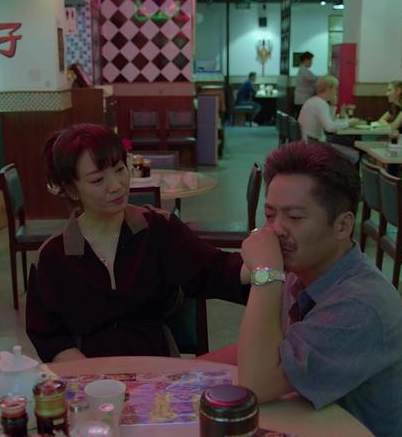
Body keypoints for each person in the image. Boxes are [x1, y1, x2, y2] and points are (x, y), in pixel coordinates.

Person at [235, 141, 402, 437]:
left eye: (294, 217)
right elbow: (264, 353)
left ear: (342, 226)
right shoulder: (306, 270)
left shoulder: (360, 304)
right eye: (269, 215)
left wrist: (265, 275)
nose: (275, 230)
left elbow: (256, 381)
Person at [25, 124, 250, 362]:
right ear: (72, 190)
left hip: (157, 367)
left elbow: (216, 269)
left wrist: (268, 269)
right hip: (91, 373)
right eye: (98, 180)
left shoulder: (158, 229)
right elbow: (49, 334)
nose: (116, 186)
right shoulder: (53, 257)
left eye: (120, 169)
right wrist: (91, 376)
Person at [297, 76, 360, 142]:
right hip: (314, 143)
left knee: (347, 141)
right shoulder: (320, 104)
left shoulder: (313, 100)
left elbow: (330, 122)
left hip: (308, 140)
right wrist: (349, 124)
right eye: (335, 89)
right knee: (351, 142)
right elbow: (329, 128)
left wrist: (333, 105)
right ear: (329, 89)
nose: (336, 92)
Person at [292, 51, 316, 116]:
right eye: (311, 60)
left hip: (303, 99)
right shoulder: (304, 71)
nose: (311, 62)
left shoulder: (303, 70)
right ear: (306, 60)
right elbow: (315, 79)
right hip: (303, 100)